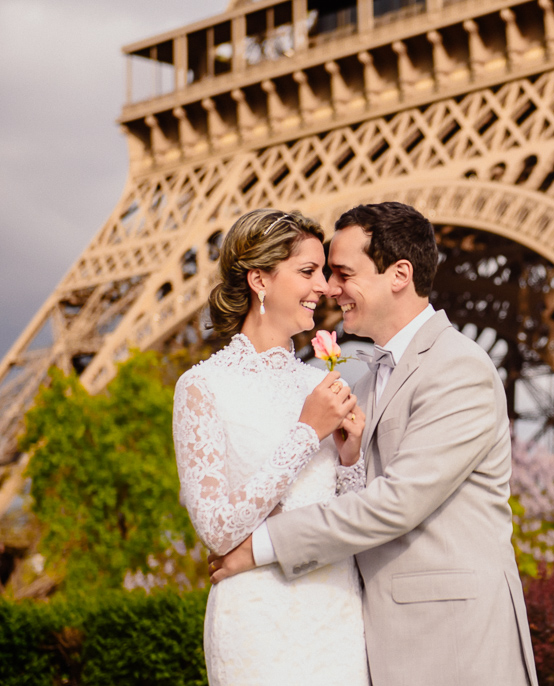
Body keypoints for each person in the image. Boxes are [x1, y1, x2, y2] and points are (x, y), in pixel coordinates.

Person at [209, 202, 539, 686]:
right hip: (360, 638)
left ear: (399, 274)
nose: (329, 288)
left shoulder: (458, 367)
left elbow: (398, 502)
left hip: (455, 643)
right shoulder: (360, 381)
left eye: (343, 273)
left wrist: (263, 545)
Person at [172, 209, 369, 685]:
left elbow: (351, 519)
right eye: (308, 271)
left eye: (323, 271)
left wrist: (350, 457)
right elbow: (217, 530)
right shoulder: (203, 387)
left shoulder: (319, 384)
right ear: (259, 280)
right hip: (257, 624)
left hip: (339, 619)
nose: (324, 286)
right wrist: (306, 433)